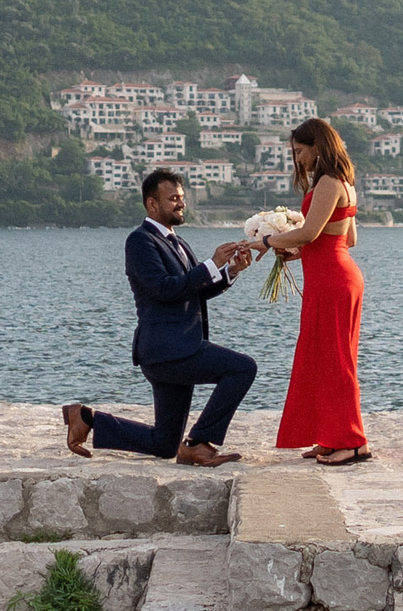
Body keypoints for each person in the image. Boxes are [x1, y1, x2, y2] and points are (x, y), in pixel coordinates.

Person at [61, 167, 259, 467]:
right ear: (152, 204)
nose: (181, 204)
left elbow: (193, 291)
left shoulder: (178, 242)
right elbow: (164, 290)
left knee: (164, 444)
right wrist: (211, 263)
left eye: (182, 198)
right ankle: (198, 443)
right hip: (167, 351)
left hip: (177, 348)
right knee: (242, 368)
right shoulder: (140, 241)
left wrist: (230, 271)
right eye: (173, 199)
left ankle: (86, 418)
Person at [247, 117, 369, 466]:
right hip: (333, 276)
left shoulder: (330, 182)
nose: (298, 159)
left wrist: (267, 241)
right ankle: (332, 436)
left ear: (317, 146)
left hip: (333, 281)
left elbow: (310, 232)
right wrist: (296, 252)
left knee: (335, 361)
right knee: (321, 359)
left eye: (300, 151)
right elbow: (347, 238)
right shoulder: (342, 182)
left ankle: (353, 441)